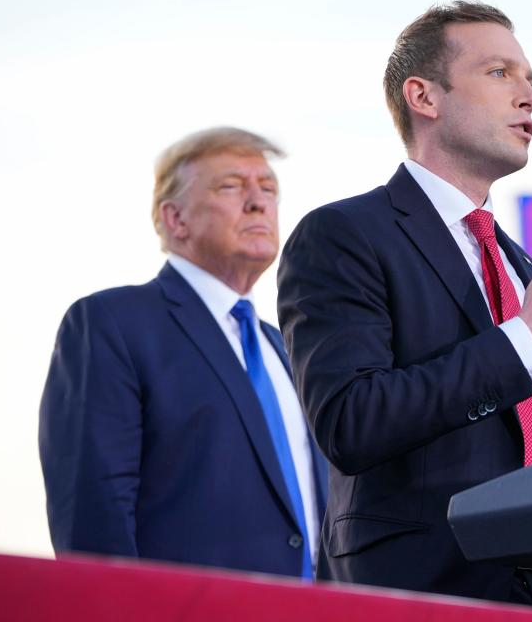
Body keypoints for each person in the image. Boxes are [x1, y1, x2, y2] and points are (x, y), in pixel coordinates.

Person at [277, 1, 532, 607]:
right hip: (425, 588)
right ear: (424, 97)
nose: (529, 97)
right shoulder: (344, 235)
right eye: (499, 73)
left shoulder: (518, 266)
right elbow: (351, 422)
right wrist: (524, 333)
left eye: (531, 79)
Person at [39, 127, 326, 579]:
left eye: (268, 188)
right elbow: (93, 514)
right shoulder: (112, 323)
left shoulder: (284, 348)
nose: (258, 202)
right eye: (230, 186)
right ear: (175, 219)